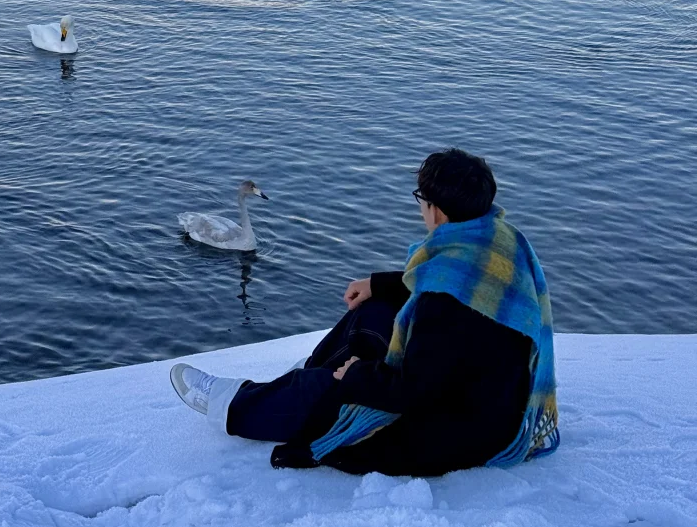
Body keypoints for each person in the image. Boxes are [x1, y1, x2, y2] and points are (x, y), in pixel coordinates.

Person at [170, 148, 559, 477]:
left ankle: (231, 406)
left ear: (437, 212)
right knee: (374, 311)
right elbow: (449, 290)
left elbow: (412, 391)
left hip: (460, 428)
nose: (420, 210)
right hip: (488, 395)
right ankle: (312, 375)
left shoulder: (443, 303)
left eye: (421, 200)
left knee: (329, 391)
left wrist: (355, 376)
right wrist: (379, 284)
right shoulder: (500, 243)